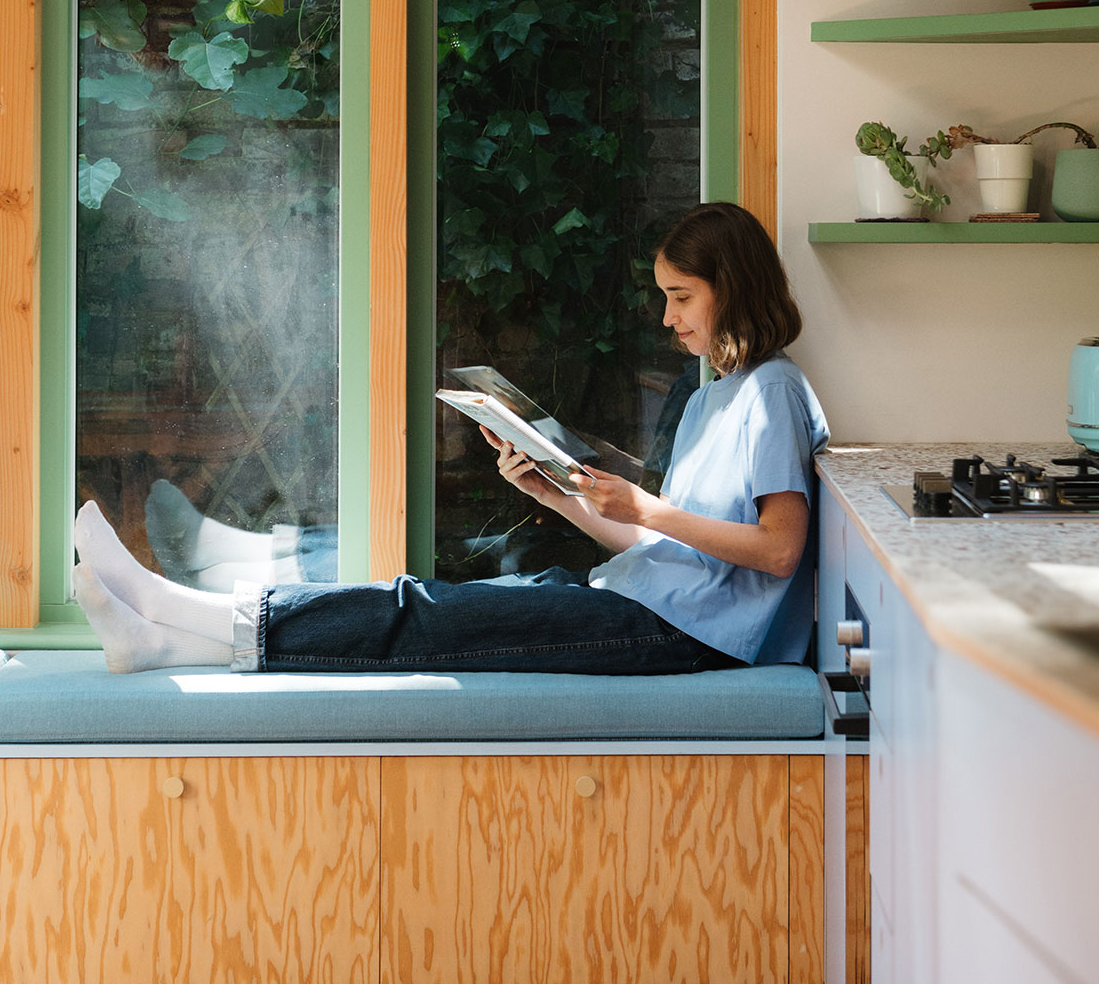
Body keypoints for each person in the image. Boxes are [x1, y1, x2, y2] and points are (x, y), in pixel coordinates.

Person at [71, 201, 829, 676]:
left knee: (420, 610)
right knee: (433, 604)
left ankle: (169, 602)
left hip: (681, 637)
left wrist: (644, 508)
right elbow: (662, 551)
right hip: (644, 604)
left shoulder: (775, 392)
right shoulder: (714, 400)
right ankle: (163, 642)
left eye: (681, 298)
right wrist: (555, 496)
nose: (668, 320)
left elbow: (777, 551)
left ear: (735, 287)